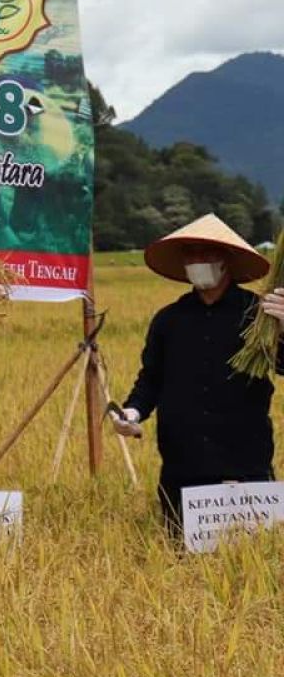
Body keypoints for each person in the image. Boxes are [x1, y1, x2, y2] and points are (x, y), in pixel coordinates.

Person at [111, 214, 284, 535]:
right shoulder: (169, 320)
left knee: (249, 565)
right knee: (180, 555)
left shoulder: (260, 315)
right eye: (190, 254)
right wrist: (132, 411)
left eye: (206, 253)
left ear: (227, 260)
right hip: (183, 464)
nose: (197, 261)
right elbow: (151, 379)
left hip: (245, 463)